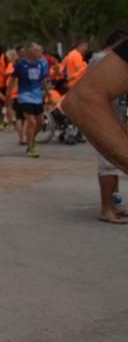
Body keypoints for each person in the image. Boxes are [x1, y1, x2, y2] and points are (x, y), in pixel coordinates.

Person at [64, 31, 128, 224]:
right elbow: (83, 99)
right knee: (107, 167)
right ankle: (107, 208)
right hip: (106, 120)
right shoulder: (101, 59)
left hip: (118, 118)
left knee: (111, 169)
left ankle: (114, 204)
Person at [12, 43, 49, 158]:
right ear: (30, 51)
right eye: (37, 51)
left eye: (40, 51)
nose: (39, 53)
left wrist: (47, 92)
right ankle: (31, 147)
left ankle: (31, 139)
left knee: (41, 122)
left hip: (37, 97)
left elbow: (43, 80)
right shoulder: (21, 64)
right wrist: (9, 96)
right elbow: (12, 80)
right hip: (25, 96)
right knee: (31, 121)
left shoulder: (40, 64)